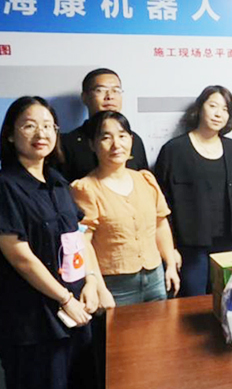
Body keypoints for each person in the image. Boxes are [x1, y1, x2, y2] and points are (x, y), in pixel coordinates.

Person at [0, 96, 108, 389]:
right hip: (30, 322)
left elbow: (77, 236)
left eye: (48, 126)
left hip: (74, 314)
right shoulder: (1, 189)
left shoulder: (58, 183)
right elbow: (22, 258)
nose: (41, 133)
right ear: (10, 134)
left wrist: (91, 281)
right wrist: (65, 299)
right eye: (29, 126)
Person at [71, 111, 180, 305]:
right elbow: (83, 242)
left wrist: (170, 264)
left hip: (155, 278)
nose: (116, 144)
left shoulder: (145, 179)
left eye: (122, 136)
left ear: (131, 140)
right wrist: (99, 288)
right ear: (92, 144)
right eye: (106, 137)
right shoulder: (85, 188)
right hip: (114, 285)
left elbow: (160, 224)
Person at [155, 85, 232, 297]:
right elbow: (160, 203)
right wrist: (170, 248)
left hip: (227, 243)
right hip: (190, 246)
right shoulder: (174, 150)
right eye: (213, 106)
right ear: (200, 108)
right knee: (193, 302)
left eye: (225, 109)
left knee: (227, 300)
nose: (218, 114)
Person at [61, 68, 149, 182]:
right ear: (84, 97)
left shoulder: (133, 140)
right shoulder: (68, 143)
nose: (110, 96)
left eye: (116, 90)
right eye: (100, 90)